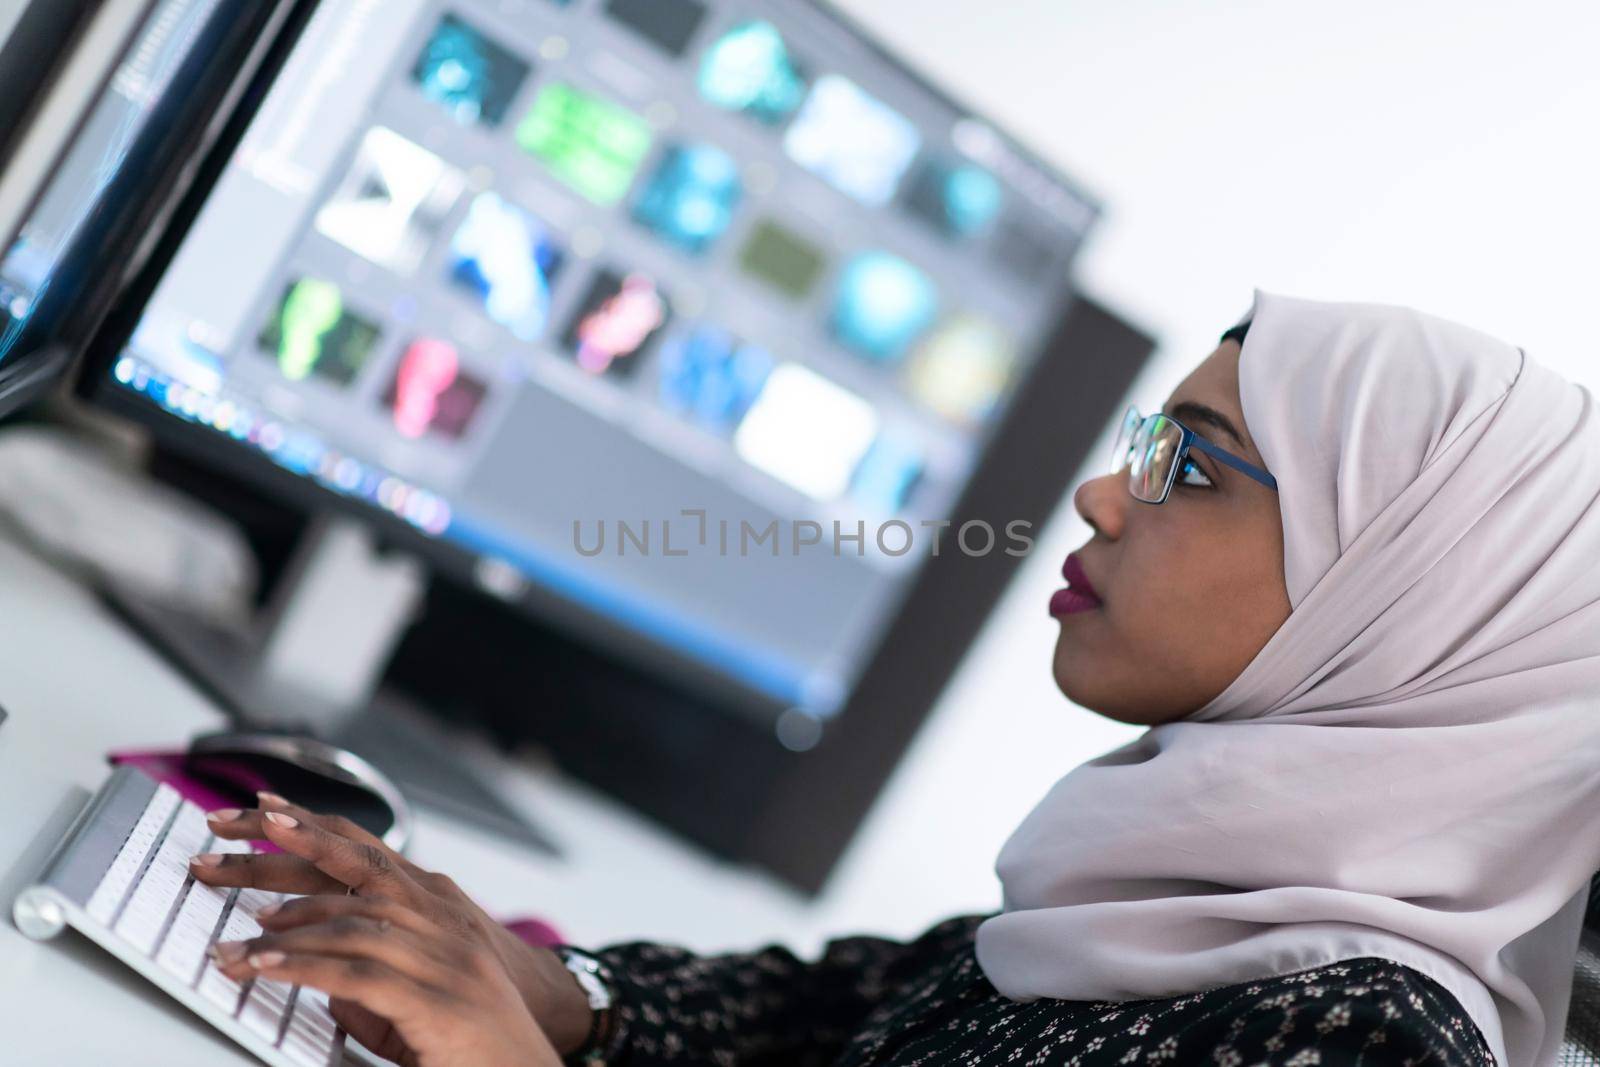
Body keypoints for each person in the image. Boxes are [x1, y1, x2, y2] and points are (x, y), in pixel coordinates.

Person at [188, 288, 1600, 1067]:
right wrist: (551, 990)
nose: (1104, 496)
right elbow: (835, 1019)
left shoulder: (1362, 1044)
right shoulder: (1181, 892)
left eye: (1192, 464)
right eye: (1140, 440)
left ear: (1407, 589)